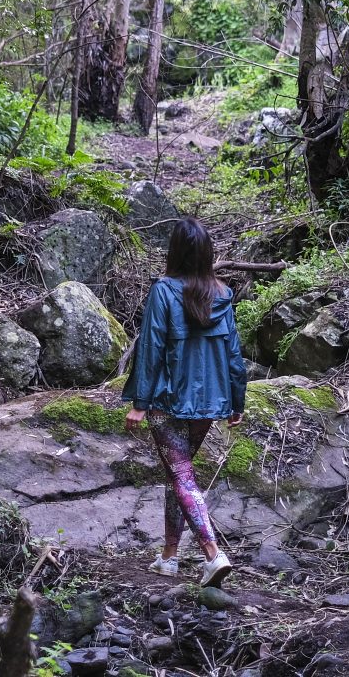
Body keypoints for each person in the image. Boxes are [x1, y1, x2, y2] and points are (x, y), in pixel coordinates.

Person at [121, 215, 247, 588]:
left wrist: (139, 402)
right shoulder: (223, 294)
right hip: (210, 401)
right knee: (180, 475)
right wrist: (236, 401)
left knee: (180, 475)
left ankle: (213, 555)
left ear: (174, 251)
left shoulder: (163, 290)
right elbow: (234, 354)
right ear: (208, 254)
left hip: (168, 399)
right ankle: (169, 557)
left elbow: (151, 347)